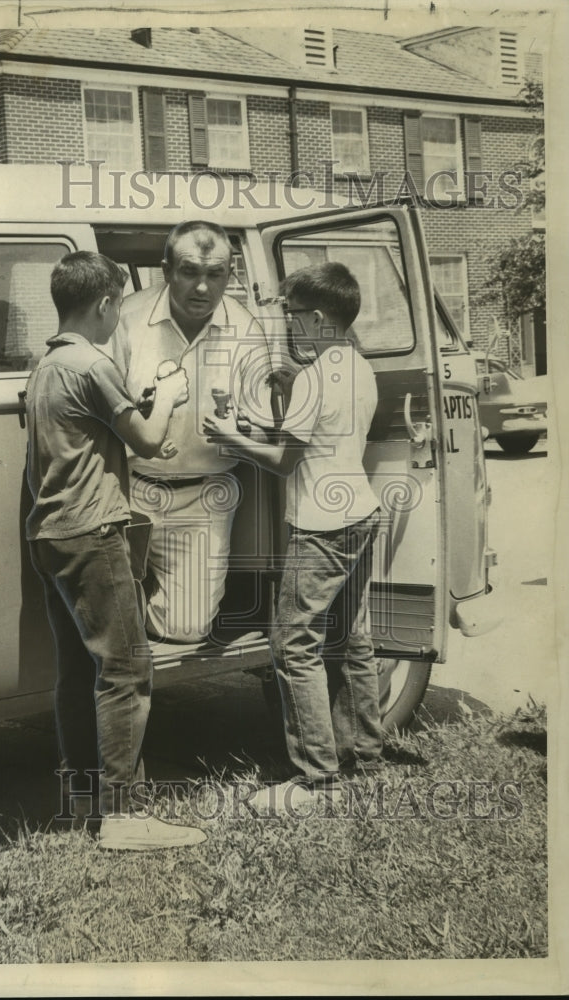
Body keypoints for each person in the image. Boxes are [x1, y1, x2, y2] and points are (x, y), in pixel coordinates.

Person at [24, 250, 206, 850]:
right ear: (105, 304)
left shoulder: (47, 365)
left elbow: (91, 434)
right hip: (95, 532)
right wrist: (171, 393)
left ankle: (81, 803)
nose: (120, 322)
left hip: (51, 535)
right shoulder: (93, 363)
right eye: (119, 310)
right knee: (128, 670)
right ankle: (125, 818)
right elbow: (151, 441)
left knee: (80, 673)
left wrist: (146, 400)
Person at [203, 262, 383, 811]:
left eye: (292, 312)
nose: (287, 322)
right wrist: (288, 392)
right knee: (352, 639)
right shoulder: (356, 367)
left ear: (319, 317)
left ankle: (316, 781)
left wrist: (230, 434)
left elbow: (284, 462)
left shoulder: (313, 378)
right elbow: (319, 437)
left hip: (321, 527)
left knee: (293, 645)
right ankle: (365, 760)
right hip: (361, 512)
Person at [110, 221, 269, 643]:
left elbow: (263, 425)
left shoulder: (248, 330)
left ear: (230, 275)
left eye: (215, 274)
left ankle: (140, 621)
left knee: (186, 627)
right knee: (103, 618)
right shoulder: (126, 318)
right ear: (166, 270)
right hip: (128, 491)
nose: (202, 288)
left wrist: (242, 429)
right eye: (189, 272)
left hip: (206, 498)